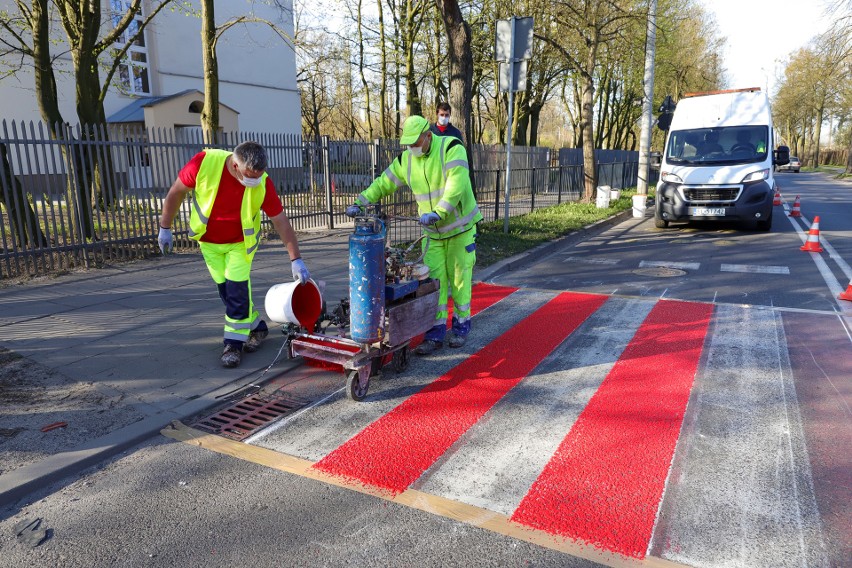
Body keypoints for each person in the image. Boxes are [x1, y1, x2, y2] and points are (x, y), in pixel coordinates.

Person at [158, 141, 311, 368]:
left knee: (237, 292)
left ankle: (233, 345)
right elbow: (176, 192)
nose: (254, 181)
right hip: (209, 243)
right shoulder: (204, 163)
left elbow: (280, 221)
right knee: (226, 293)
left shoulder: (263, 183)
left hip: (240, 245)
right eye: (250, 175)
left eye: (258, 175)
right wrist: (165, 228)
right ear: (235, 165)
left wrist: (295, 258)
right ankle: (257, 327)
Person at [346, 115, 481, 355]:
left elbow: (456, 187)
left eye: (415, 143)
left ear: (428, 135)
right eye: (408, 144)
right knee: (432, 285)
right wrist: (361, 202)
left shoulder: (451, 148)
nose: (411, 148)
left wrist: (439, 212)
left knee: (459, 281)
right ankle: (435, 332)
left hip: (460, 230)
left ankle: (461, 327)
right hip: (433, 235)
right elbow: (383, 183)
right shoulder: (406, 160)